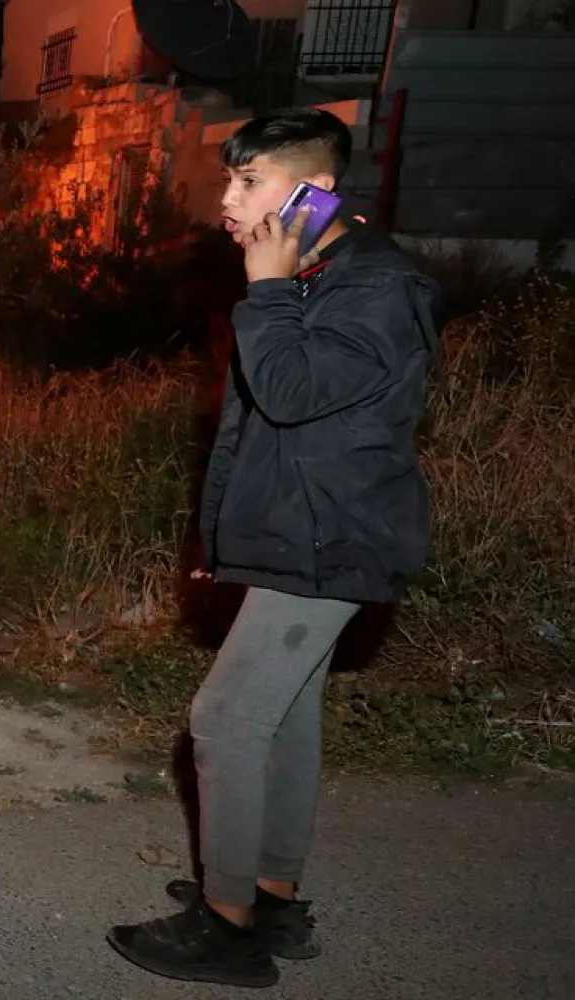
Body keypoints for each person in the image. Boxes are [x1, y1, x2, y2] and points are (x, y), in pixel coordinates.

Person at [106, 107, 444, 987]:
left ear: (313, 191)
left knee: (224, 720)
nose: (227, 200)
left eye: (248, 183)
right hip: (306, 529)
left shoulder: (373, 284)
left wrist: (264, 285)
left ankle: (228, 932)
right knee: (285, 719)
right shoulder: (324, 267)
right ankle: (271, 896)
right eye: (231, 180)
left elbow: (291, 394)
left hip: (334, 537)